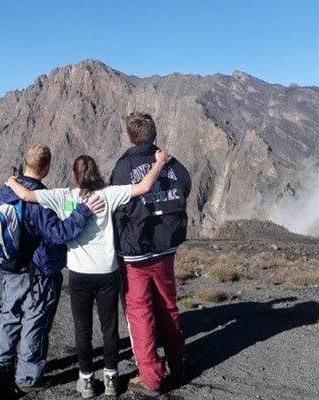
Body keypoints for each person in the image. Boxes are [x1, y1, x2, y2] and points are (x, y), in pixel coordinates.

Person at [5, 149, 171, 398]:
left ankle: (86, 381)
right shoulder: (109, 194)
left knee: (82, 329)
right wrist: (159, 162)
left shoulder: (62, 196)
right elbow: (145, 186)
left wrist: (11, 181)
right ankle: (112, 378)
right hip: (107, 273)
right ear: (96, 173)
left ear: (74, 176)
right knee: (109, 327)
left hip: (80, 275)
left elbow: (26, 196)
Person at [0, 145, 105, 393]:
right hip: (38, 272)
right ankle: (27, 378)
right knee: (35, 321)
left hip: (10, 267)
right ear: (47, 168)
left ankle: (0, 362)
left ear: (24, 163)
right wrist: (82, 212)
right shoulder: (41, 200)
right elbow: (57, 234)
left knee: (10, 315)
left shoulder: (6, 190)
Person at [110, 112, 191, 397]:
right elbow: (186, 186)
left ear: (130, 137)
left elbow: (117, 205)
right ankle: (178, 363)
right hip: (166, 247)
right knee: (167, 305)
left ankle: (151, 377)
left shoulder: (123, 167)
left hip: (135, 253)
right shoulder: (171, 163)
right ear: (153, 134)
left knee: (139, 312)